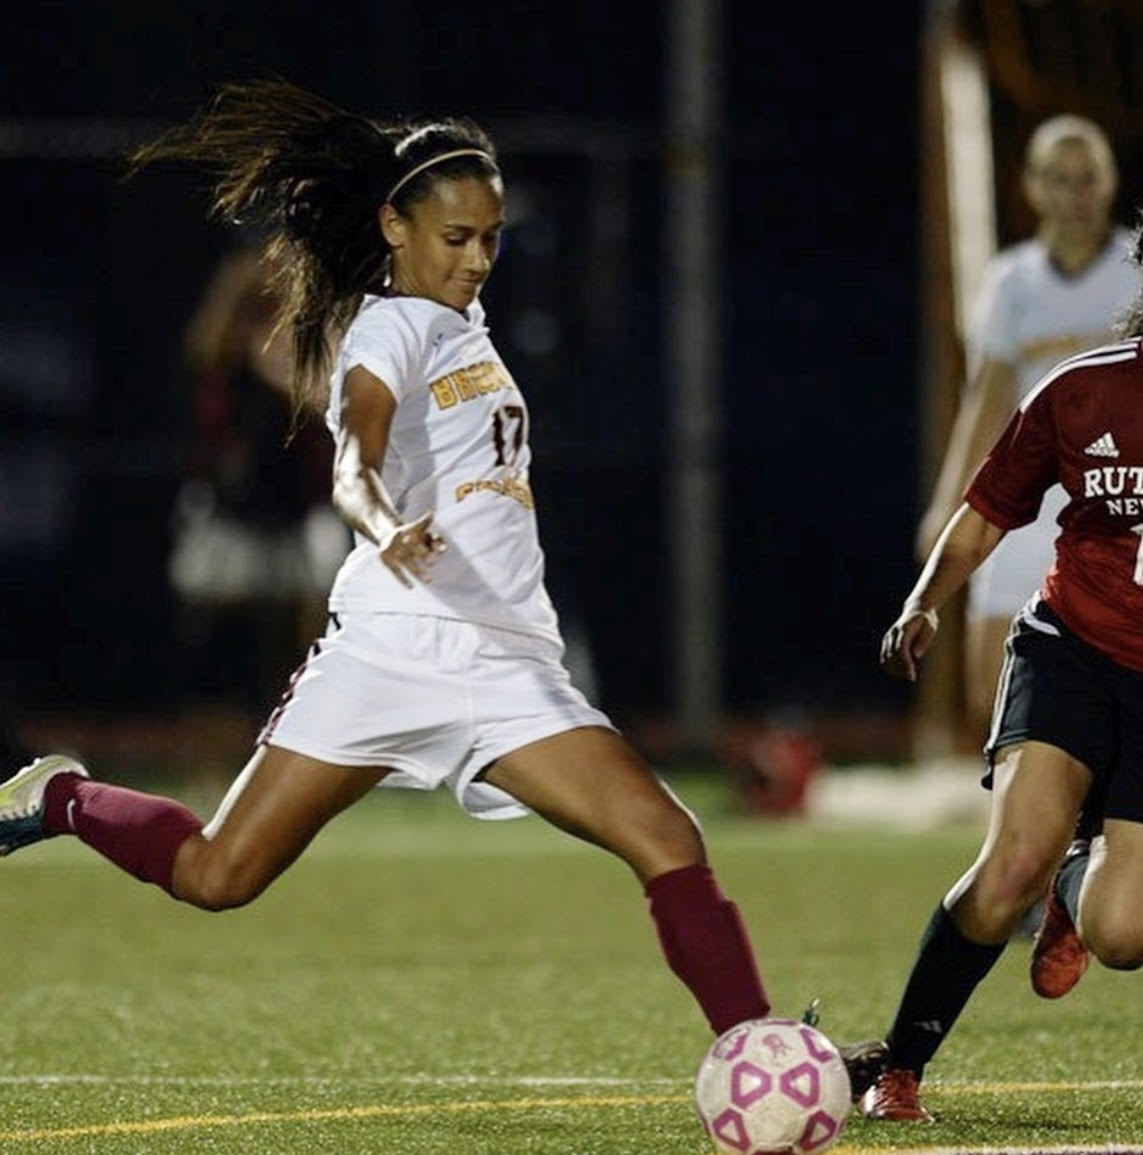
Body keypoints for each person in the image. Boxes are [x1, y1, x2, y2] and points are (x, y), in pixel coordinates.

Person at [0, 79, 883, 1091]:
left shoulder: (470, 334)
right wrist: (381, 521)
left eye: (491, 239)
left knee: (666, 836)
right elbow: (351, 460)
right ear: (394, 226)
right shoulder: (389, 331)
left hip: (503, 668)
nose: (475, 258)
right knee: (216, 875)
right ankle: (60, 797)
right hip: (388, 650)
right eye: (457, 237)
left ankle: (758, 1055)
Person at [861, 217, 1143, 1123]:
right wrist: (922, 599)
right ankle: (898, 1068)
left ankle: (1077, 878)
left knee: (1123, 933)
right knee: (1006, 861)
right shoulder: (1080, 392)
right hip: (1073, 645)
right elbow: (986, 511)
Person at [916, 114, 1136, 746]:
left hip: (1118, 495)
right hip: (1032, 493)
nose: (1075, 193)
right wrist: (948, 502)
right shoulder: (1012, 281)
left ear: (1109, 182)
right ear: (1033, 187)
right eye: (1059, 179)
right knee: (994, 679)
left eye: (1087, 177)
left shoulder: (1134, 268)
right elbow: (986, 397)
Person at [169, 241, 348, 716]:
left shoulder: (310, 334)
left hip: (302, 500)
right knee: (222, 628)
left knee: (313, 620)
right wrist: (235, 285)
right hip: (236, 503)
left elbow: (321, 393)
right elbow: (204, 351)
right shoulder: (227, 338)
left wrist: (279, 364)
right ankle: (217, 727)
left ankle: (302, 719)